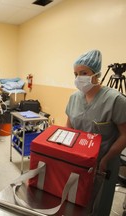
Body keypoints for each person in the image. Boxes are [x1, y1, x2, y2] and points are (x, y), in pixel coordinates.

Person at [65, 49, 126, 215]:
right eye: (76, 74)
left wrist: (105, 159)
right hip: (77, 160)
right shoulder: (73, 98)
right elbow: (68, 128)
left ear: (96, 73)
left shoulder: (115, 100)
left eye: (83, 73)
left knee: (98, 206)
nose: (78, 78)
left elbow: (124, 135)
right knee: (74, 202)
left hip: (103, 164)